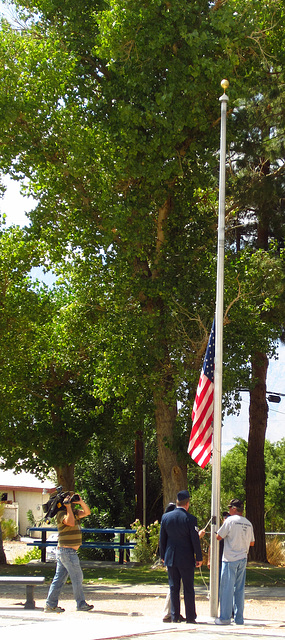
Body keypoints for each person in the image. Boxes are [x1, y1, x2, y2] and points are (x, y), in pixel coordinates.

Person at [45, 492, 94, 613]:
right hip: (67, 551)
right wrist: (67, 508)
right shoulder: (61, 514)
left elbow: (87, 512)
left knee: (59, 579)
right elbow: (70, 522)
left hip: (67, 551)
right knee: (77, 577)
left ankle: (50, 604)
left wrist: (81, 502)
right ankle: (81, 604)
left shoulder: (74, 513)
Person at [159, 489, 203, 624]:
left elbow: (162, 539)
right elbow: (195, 540)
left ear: (177, 502)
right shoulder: (190, 519)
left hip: (171, 556)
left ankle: (175, 616)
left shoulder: (166, 517)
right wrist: (199, 557)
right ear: (187, 503)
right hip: (186, 558)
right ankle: (190, 617)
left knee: (174, 588)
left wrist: (163, 556)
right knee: (188, 588)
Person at [215, 498, 255, 626]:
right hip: (243, 558)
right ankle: (239, 619)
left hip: (229, 558)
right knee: (239, 589)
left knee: (226, 589)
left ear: (233, 509)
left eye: (229, 508)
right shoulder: (248, 523)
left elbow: (218, 536)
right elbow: (252, 542)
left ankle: (225, 618)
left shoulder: (230, 521)